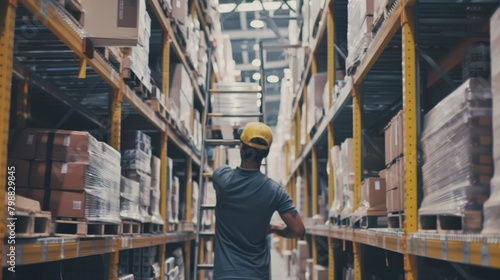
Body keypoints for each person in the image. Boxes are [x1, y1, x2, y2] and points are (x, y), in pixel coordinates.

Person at [212, 122, 305, 280]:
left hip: (225, 274)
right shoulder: (275, 191)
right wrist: (275, 229)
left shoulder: (221, 177)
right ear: (266, 153)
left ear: (241, 147)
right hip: (256, 275)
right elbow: (298, 230)